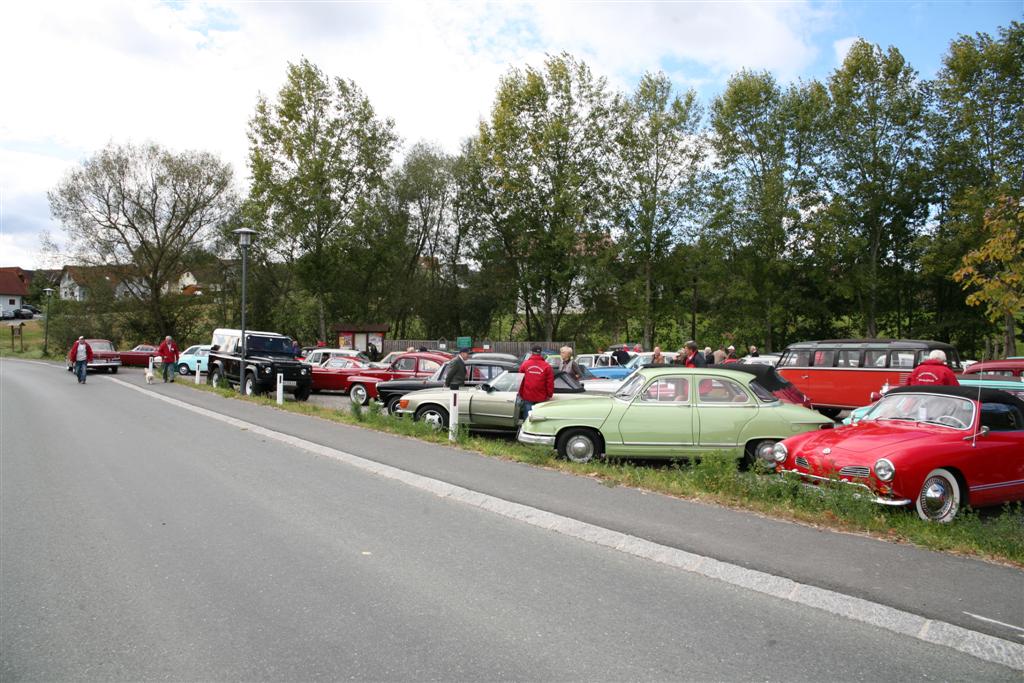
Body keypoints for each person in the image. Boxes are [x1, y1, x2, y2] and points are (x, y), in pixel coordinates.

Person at [518, 344, 554, 419]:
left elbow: (520, 380)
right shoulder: (547, 366)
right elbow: (550, 382)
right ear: (541, 353)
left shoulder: (525, 364)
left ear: (531, 352)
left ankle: (527, 429)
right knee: (539, 418)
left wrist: (521, 393)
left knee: (528, 418)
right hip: (542, 396)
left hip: (527, 395)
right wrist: (549, 394)